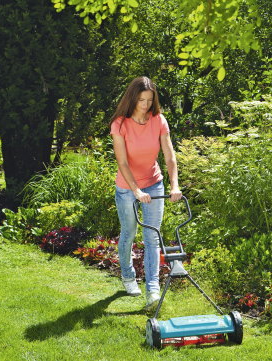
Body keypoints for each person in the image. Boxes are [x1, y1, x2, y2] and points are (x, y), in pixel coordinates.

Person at [109, 76, 182, 310]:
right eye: (141, 100)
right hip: (127, 187)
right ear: (132, 99)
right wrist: (136, 190)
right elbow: (122, 162)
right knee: (129, 232)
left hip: (154, 182)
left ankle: (152, 290)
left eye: (149, 100)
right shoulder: (120, 124)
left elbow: (169, 156)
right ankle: (129, 277)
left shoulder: (159, 120)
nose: (145, 104)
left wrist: (174, 185)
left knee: (152, 236)